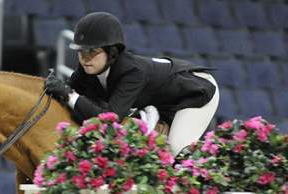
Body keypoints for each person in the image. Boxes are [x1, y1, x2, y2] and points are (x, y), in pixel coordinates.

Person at [45, 12, 220, 156]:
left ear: (112, 53)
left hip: (197, 90)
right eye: (81, 51)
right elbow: (70, 96)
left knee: (176, 149)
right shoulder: (88, 68)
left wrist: (69, 95)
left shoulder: (131, 72)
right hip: (163, 98)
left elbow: (109, 120)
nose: (85, 58)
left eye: (92, 51)